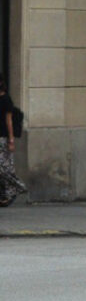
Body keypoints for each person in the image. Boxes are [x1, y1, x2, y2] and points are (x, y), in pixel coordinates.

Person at [0, 76, 26, 207]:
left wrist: (11, 140)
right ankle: (7, 193)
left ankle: (17, 186)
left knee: (4, 168)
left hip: (3, 137)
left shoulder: (5, 99)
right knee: (5, 167)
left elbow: (8, 121)